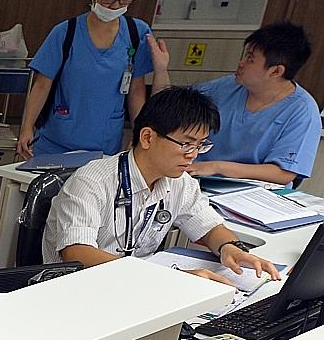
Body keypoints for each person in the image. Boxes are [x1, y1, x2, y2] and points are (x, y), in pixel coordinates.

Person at [44, 86, 280, 284]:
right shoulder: (92, 181)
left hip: (136, 284)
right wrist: (165, 279)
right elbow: (76, 252)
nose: (193, 155)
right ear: (147, 138)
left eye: (200, 145)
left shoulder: (180, 183)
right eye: (186, 144)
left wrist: (230, 247)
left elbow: (210, 228)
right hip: (78, 287)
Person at [148, 21, 319, 185]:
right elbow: (168, 109)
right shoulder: (228, 86)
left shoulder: (303, 112)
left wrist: (217, 167)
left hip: (251, 196)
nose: (241, 62)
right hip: (196, 181)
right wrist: (161, 69)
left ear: (276, 71)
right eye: (245, 55)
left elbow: (284, 174)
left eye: (250, 59)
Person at [16, 0, 154, 160]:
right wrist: (26, 127)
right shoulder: (66, 33)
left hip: (105, 145)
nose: (115, 6)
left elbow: (136, 90)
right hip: (57, 140)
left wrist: (139, 133)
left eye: (125, 0)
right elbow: (41, 86)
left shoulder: (137, 33)